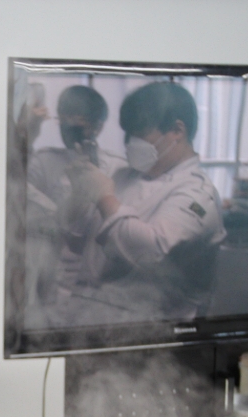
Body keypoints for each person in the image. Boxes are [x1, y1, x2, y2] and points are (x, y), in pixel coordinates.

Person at [68, 81, 226, 316]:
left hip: (152, 322)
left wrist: (104, 198)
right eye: (129, 134)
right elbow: (78, 244)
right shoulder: (123, 176)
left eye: (140, 134)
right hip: (92, 309)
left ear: (177, 131)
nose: (131, 143)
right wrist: (79, 197)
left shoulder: (198, 196)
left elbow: (153, 252)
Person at [23, 85, 126, 313]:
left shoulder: (118, 168)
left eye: (79, 124)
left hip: (97, 285)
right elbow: (32, 218)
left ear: (98, 126)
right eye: (63, 121)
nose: (69, 130)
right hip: (49, 278)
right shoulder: (43, 162)